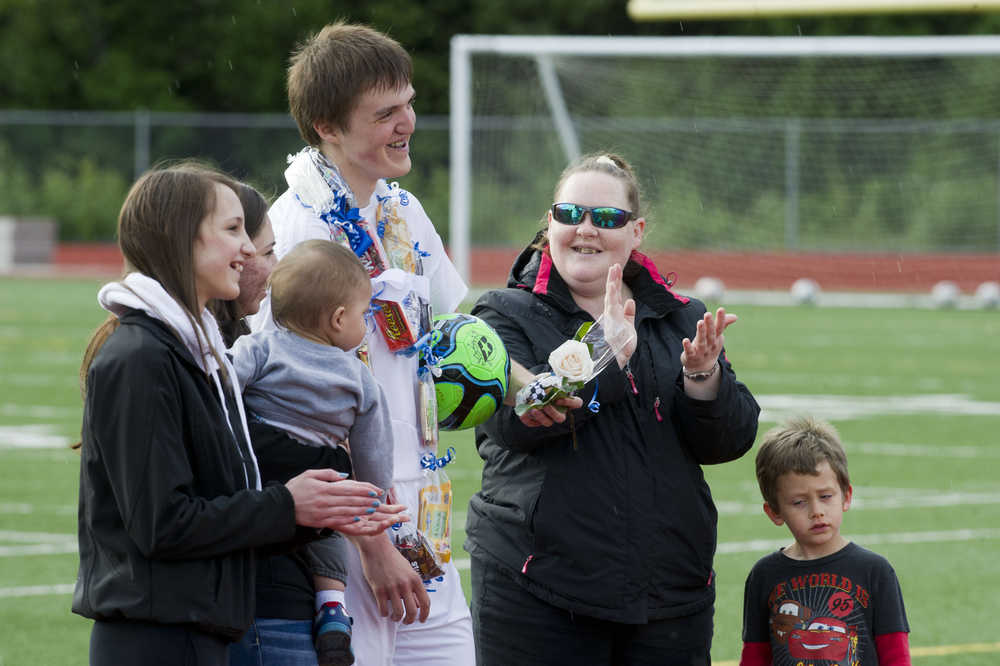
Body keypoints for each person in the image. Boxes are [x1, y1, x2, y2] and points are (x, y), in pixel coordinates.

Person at [72, 162, 405, 666]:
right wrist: (289, 504)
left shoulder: (200, 352)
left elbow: (225, 498)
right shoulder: (141, 356)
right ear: (182, 239)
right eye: (232, 230)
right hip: (158, 637)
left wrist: (320, 507)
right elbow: (163, 524)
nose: (249, 249)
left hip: (198, 630)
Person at [466, 152, 761, 666]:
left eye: (605, 218)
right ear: (549, 222)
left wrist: (702, 376)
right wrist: (606, 356)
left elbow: (729, 441)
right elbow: (517, 425)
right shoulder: (502, 314)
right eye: (568, 214)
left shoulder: (679, 315)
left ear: (636, 230)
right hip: (539, 594)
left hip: (669, 597)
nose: (585, 230)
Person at [249, 21, 476, 665]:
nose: (407, 122)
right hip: (347, 531)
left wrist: (537, 387)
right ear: (328, 126)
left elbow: (448, 340)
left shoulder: (404, 210)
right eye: (385, 113)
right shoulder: (292, 233)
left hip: (422, 513)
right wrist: (371, 545)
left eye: (408, 103)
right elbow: (290, 410)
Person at [231, 240, 394, 666]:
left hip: (259, 480)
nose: (366, 324)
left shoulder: (259, 347)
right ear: (339, 319)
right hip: (321, 485)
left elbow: (223, 391)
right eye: (364, 315)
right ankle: (332, 608)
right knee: (328, 533)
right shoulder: (360, 380)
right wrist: (372, 495)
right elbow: (373, 447)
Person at [740, 416, 911, 666]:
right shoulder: (763, 575)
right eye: (799, 502)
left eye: (826, 496)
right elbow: (755, 657)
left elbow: (896, 656)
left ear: (846, 496)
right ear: (774, 512)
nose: (816, 511)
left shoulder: (875, 571)